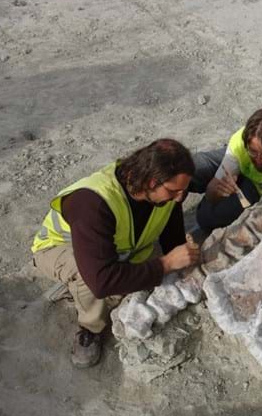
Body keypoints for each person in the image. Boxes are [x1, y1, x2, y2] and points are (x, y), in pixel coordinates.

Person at [31, 138, 200, 368]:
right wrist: (166, 264)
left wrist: (183, 260)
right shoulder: (93, 202)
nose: (180, 197)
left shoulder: (165, 194)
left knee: (133, 277)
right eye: (174, 191)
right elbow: (102, 281)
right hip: (59, 247)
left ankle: (100, 283)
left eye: (183, 190)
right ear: (152, 181)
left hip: (117, 249)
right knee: (91, 281)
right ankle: (90, 329)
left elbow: (173, 238)